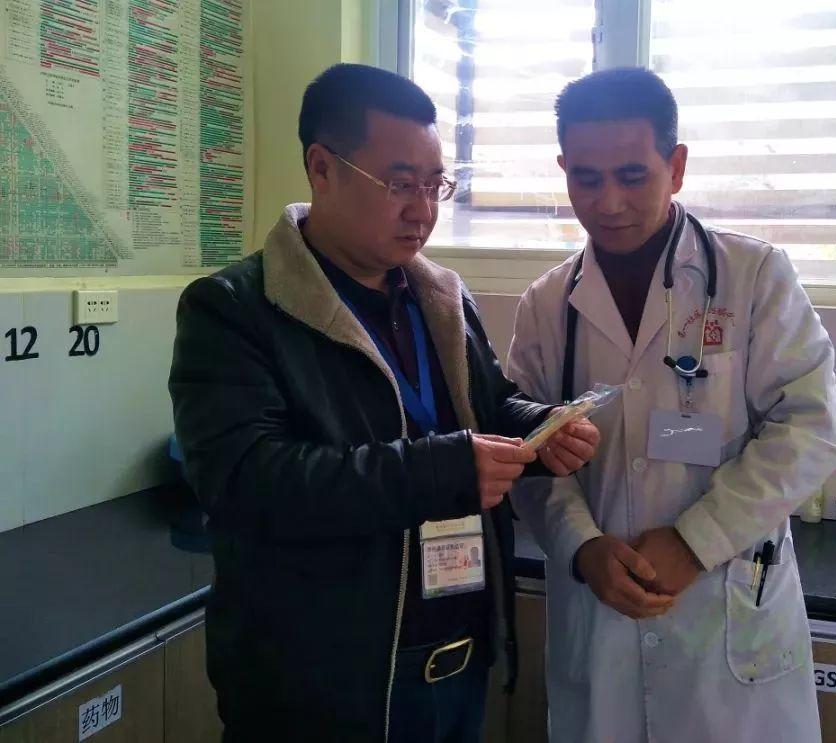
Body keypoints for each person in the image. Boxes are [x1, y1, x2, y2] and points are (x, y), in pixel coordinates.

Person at [169, 63, 599, 743]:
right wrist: (442, 469)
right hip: (324, 684)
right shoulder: (235, 310)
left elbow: (487, 406)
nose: (422, 210)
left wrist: (541, 432)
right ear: (321, 168)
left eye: (434, 185)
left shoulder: (440, 297)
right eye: (399, 184)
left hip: (457, 660)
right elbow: (247, 482)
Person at [507, 68, 836, 742]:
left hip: (725, 622)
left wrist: (697, 540)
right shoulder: (547, 306)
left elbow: (810, 428)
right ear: (563, 169)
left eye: (632, 176)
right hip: (601, 615)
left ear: (677, 165)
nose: (608, 202)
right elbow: (529, 453)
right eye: (586, 178)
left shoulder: (753, 278)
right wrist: (582, 547)